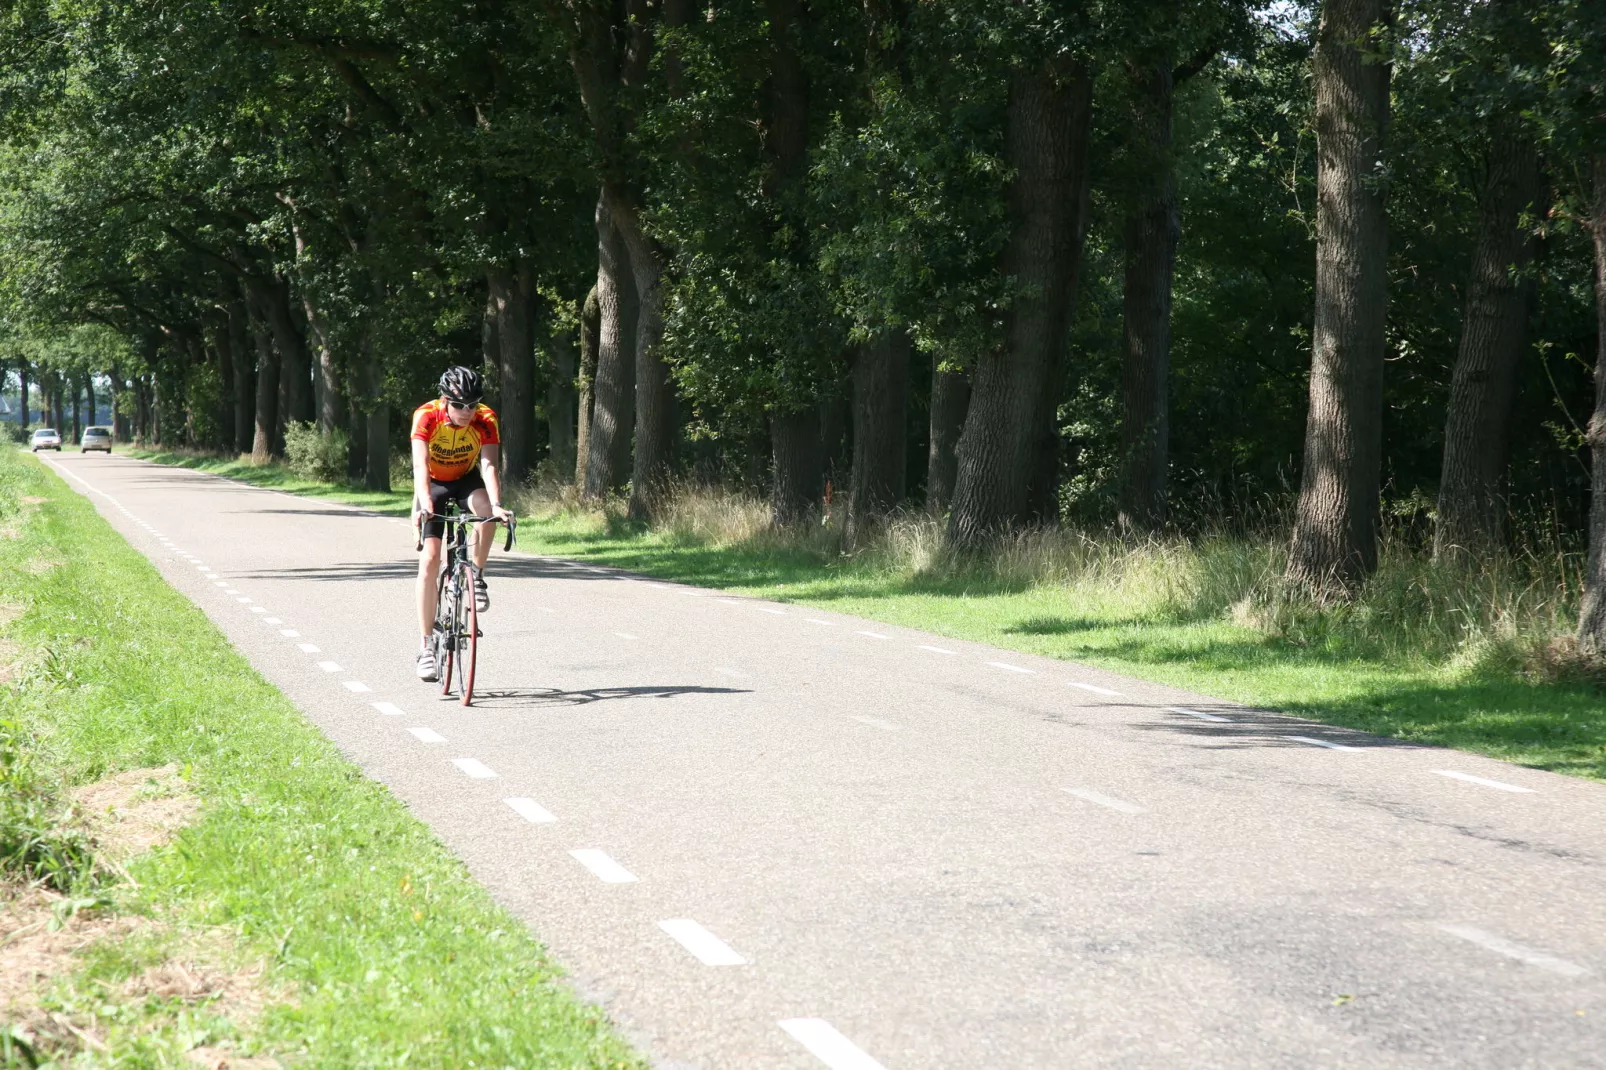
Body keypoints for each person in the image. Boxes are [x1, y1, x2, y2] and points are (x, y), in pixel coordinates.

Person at [411, 366, 513, 681]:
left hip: (466, 480)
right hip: (434, 483)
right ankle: (427, 647)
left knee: (486, 509)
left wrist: (497, 504)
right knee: (429, 560)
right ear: (445, 401)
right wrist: (425, 501)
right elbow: (419, 463)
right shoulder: (426, 415)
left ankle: (477, 576)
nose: (466, 411)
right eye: (459, 405)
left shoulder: (486, 419)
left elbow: (489, 464)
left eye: (472, 404)